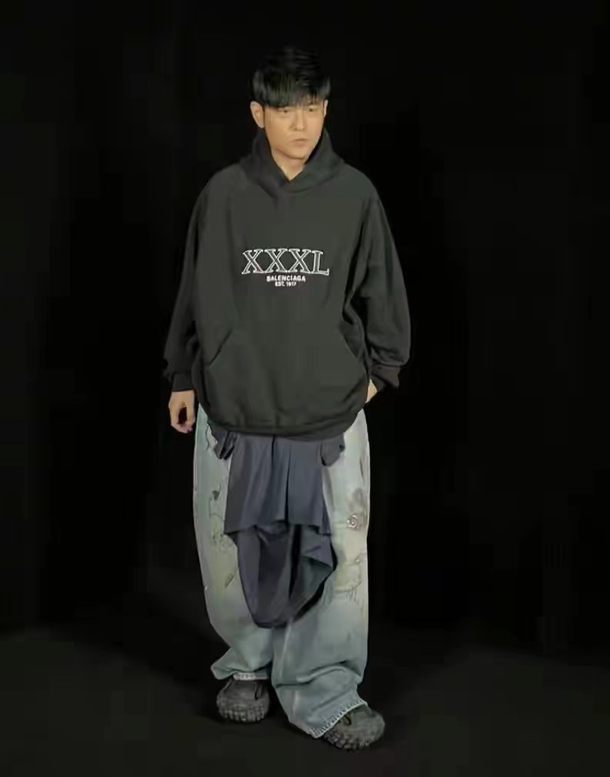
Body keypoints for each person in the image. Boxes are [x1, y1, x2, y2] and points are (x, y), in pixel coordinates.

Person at [163, 46, 410, 750]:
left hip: (325, 415)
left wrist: (378, 371)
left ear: (326, 111)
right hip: (234, 408)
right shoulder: (223, 196)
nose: (301, 125)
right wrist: (184, 374)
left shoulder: (354, 195)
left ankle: (325, 686)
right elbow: (194, 290)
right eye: (285, 111)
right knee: (231, 548)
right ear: (258, 113)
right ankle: (247, 666)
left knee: (339, 553)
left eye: (313, 109)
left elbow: (384, 289)